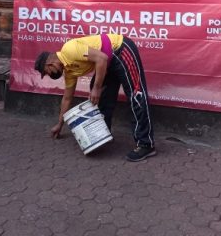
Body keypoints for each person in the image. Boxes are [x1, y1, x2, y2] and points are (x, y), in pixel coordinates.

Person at [34, 34, 156, 162]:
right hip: (107, 63)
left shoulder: (69, 50)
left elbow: (101, 58)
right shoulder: (69, 71)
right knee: (101, 95)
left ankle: (146, 144)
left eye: (47, 72)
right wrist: (60, 124)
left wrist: (96, 89)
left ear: (50, 64)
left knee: (136, 95)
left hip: (120, 50)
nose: (49, 75)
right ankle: (104, 135)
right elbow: (67, 98)